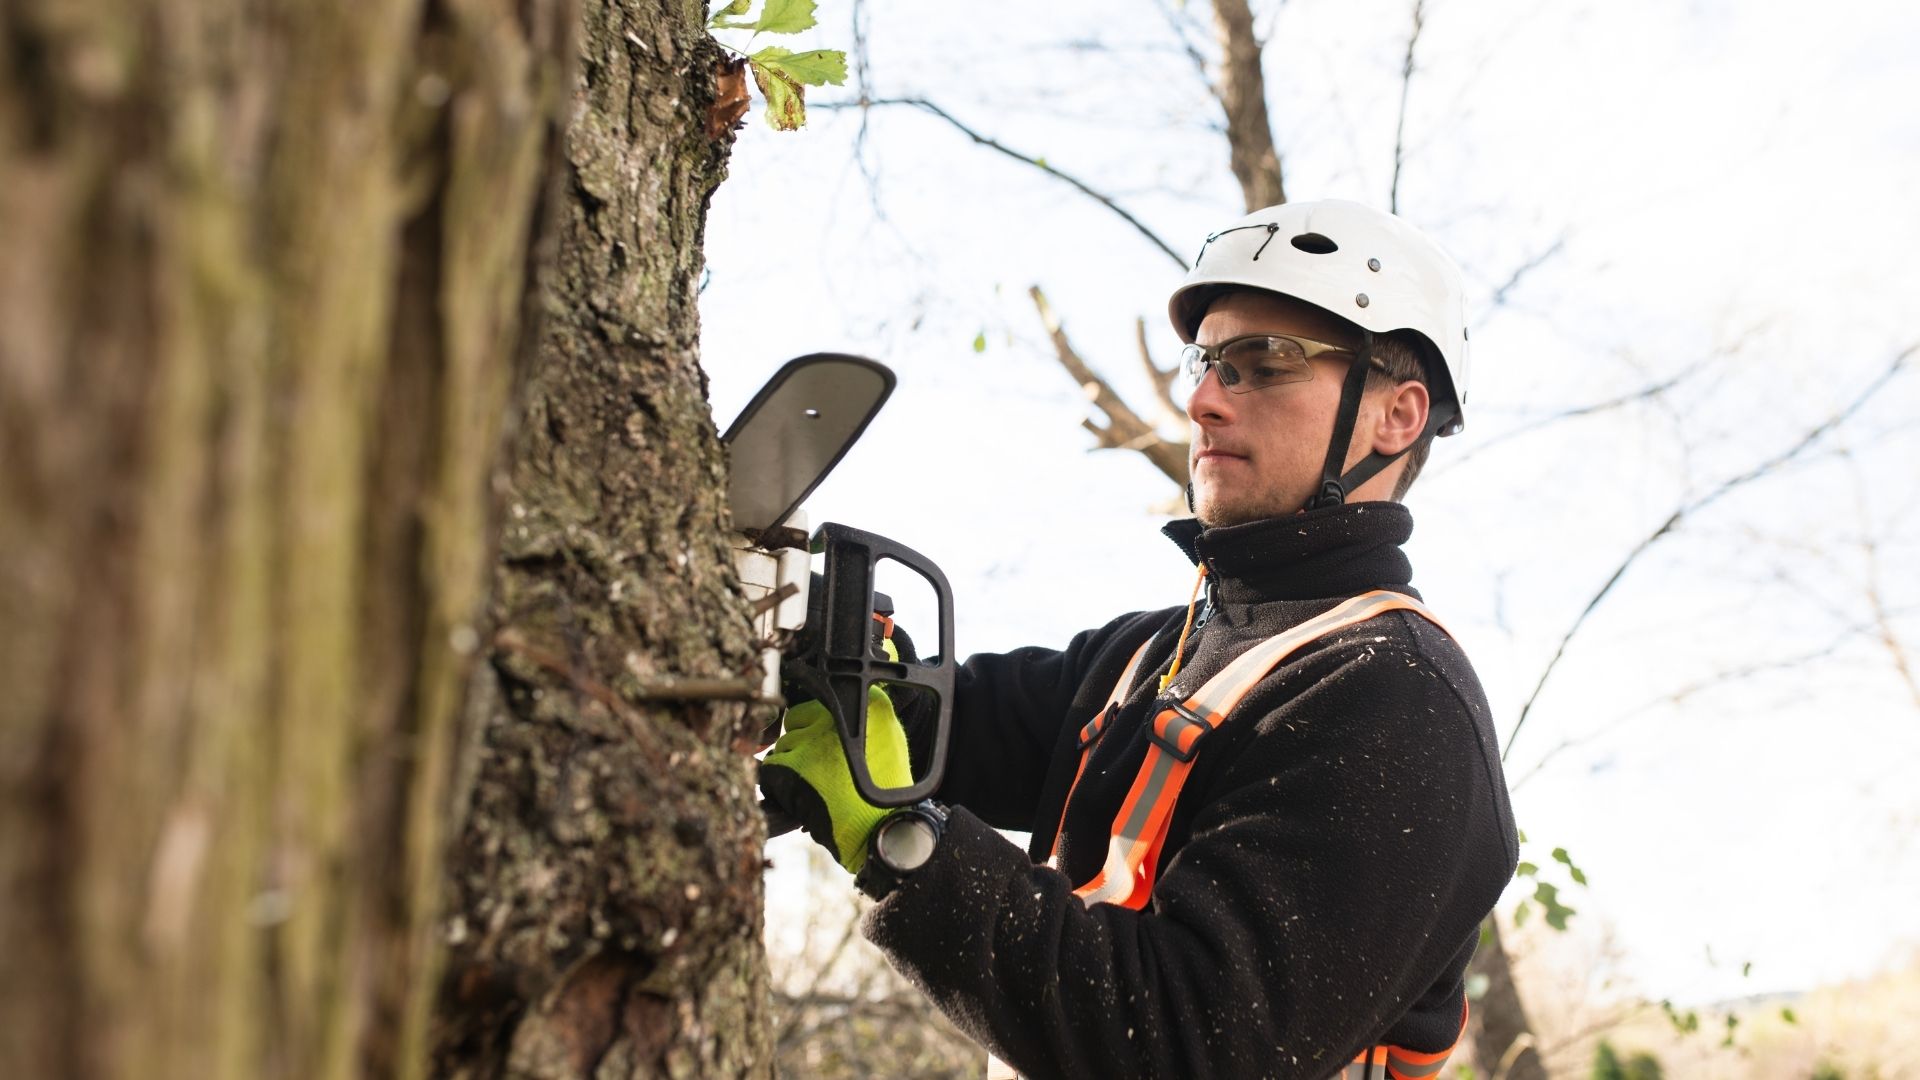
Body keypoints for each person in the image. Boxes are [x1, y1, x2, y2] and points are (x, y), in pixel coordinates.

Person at [759, 199, 1519, 1080]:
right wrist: (820, 640)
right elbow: (947, 721)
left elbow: (1188, 1040)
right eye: (1206, 363)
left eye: (1263, 365)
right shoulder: (1154, 654)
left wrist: (898, 840)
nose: (1200, 401)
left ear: (1397, 415)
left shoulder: (1397, 701)